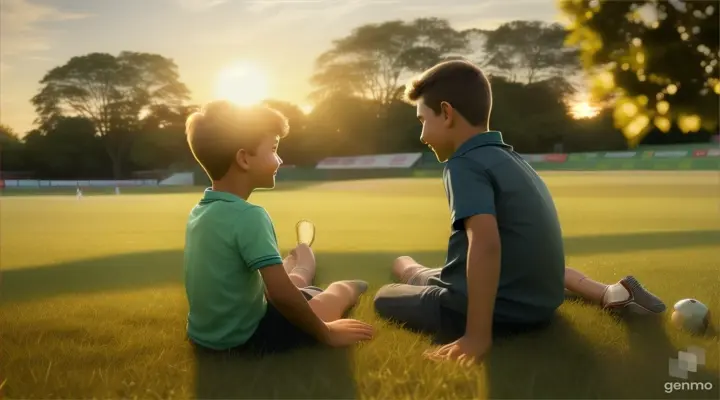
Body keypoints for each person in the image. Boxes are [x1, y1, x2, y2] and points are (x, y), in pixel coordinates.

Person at [372, 60, 665, 365]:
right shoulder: (512, 159)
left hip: (501, 312)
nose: (421, 135)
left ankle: (409, 270)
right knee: (428, 273)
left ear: (446, 114)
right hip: (540, 304)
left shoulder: (463, 163)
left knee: (386, 295)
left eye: (422, 120)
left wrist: (476, 336)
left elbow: (485, 243)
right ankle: (411, 269)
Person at [184, 100, 373, 355]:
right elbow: (281, 295)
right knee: (330, 295)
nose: (280, 159)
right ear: (243, 158)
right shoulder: (249, 215)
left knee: (297, 284)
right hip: (246, 337)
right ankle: (351, 285)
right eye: (273, 149)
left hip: (202, 336)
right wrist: (327, 332)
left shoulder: (200, 211)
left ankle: (302, 264)